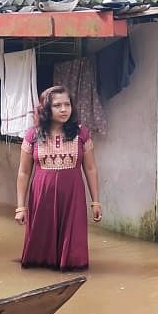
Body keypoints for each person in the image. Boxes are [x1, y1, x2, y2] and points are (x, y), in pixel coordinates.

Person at [15, 86, 102, 271]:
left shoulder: (81, 133)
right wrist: (21, 207)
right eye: (57, 105)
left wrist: (96, 202)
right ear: (46, 109)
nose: (64, 109)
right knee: (40, 247)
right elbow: (23, 172)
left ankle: (70, 268)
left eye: (67, 104)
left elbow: (90, 168)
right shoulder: (33, 135)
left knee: (74, 248)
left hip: (72, 196)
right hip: (42, 196)